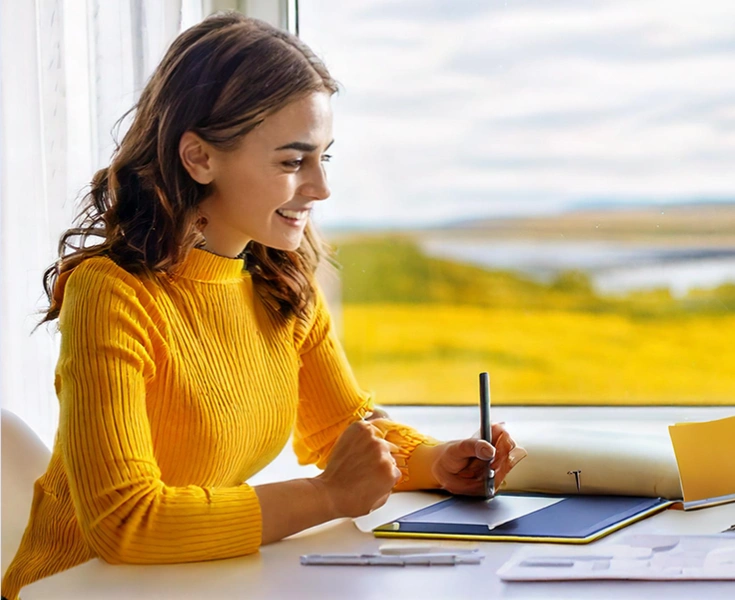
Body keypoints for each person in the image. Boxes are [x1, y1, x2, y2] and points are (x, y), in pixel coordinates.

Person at [1, 12, 525, 599]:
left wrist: (437, 461)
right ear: (199, 158)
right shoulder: (112, 293)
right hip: (79, 586)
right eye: (291, 161)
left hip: (193, 581)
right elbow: (126, 523)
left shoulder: (281, 280)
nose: (320, 187)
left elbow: (340, 429)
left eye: (324, 157)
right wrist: (327, 496)